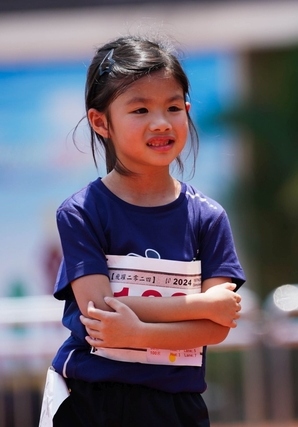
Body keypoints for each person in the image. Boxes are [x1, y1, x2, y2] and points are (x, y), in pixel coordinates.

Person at [41, 35, 246, 427]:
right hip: (91, 400)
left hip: (178, 405)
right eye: (140, 109)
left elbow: (216, 328)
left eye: (173, 107)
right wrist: (201, 304)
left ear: (187, 111)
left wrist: (136, 331)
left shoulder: (208, 217)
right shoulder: (81, 212)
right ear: (101, 122)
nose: (161, 122)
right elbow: (99, 311)